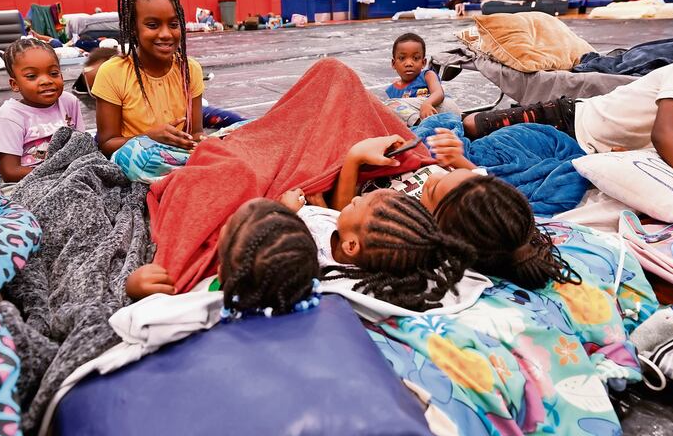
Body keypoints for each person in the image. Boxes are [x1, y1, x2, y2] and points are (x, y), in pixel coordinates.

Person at [462, 22, 673, 220]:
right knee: (473, 128)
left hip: (596, 155)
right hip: (570, 120)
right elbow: (666, 135)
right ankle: (442, 117)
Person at [328, 133, 577, 291]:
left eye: (433, 189)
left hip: (361, 170)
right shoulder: (473, 199)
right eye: (452, 171)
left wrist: (354, 158)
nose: (434, 176)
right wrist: (457, 158)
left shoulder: (402, 231)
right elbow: (477, 180)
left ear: (435, 228)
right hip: (400, 152)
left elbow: (347, 219)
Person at [278, 187, 473, 312]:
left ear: (351, 246)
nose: (354, 198)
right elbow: (336, 219)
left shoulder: (309, 250)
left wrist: (293, 211)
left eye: (356, 205)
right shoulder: (352, 235)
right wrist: (320, 206)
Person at [126, 198, 321, 318]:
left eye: (226, 226)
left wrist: (133, 288)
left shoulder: (197, 305)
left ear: (220, 273)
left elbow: (141, 317)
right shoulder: (293, 285)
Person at [93, 0, 204, 156]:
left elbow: (196, 132)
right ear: (133, 28)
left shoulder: (190, 70)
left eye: (174, 24)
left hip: (181, 162)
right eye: (152, 25)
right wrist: (148, 138)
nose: (166, 34)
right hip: (134, 167)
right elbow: (106, 143)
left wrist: (203, 143)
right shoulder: (112, 73)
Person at [0, 37, 84, 182]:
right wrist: (58, 174)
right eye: (32, 76)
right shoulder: (9, 116)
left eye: (53, 73)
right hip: (32, 182)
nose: (46, 81)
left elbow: (82, 145)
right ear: (15, 84)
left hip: (73, 174)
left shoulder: (69, 101)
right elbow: (10, 171)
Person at [385, 33, 460, 124]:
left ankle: (419, 123)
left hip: (444, 109)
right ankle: (421, 126)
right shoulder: (392, 90)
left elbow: (438, 93)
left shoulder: (427, 75)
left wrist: (427, 103)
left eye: (415, 58)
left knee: (389, 105)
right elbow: (401, 114)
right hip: (431, 119)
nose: (409, 63)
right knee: (390, 111)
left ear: (423, 62)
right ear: (393, 63)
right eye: (402, 58)